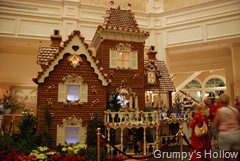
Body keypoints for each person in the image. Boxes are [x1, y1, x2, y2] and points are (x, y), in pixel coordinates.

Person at [212, 93, 240, 161]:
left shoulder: (220, 111)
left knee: (223, 157)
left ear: (220, 101)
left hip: (225, 136)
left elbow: (214, 125)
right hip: (236, 135)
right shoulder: (235, 110)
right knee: (235, 157)